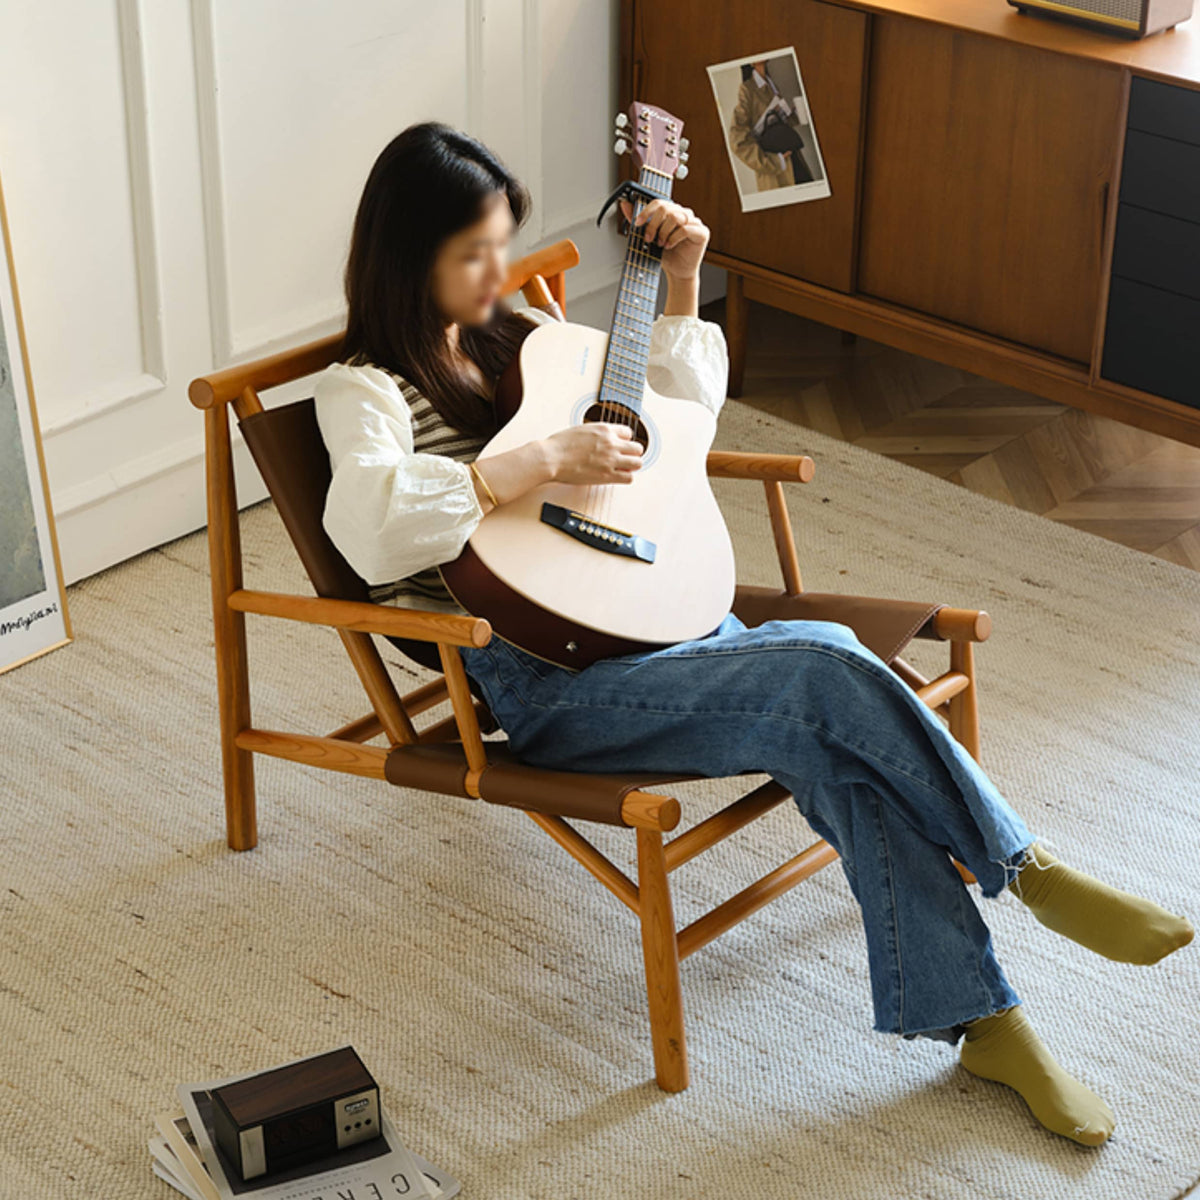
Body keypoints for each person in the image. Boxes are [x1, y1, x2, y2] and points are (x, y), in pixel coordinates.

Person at [312, 122, 1194, 1148]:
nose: (499, 271)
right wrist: (533, 459)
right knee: (826, 659)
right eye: (473, 252)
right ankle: (1028, 869)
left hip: (659, 623)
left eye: (503, 243)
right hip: (547, 686)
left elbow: (674, 431)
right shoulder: (365, 389)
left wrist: (681, 282)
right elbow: (369, 528)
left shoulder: (525, 339)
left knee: (827, 735)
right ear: (402, 253)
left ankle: (986, 1023)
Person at [729, 60, 813, 189]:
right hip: (775, 172)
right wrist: (774, 161)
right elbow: (737, 140)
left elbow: (782, 124)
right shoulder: (747, 88)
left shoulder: (772, 85)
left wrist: (796, 113)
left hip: (794, 156)